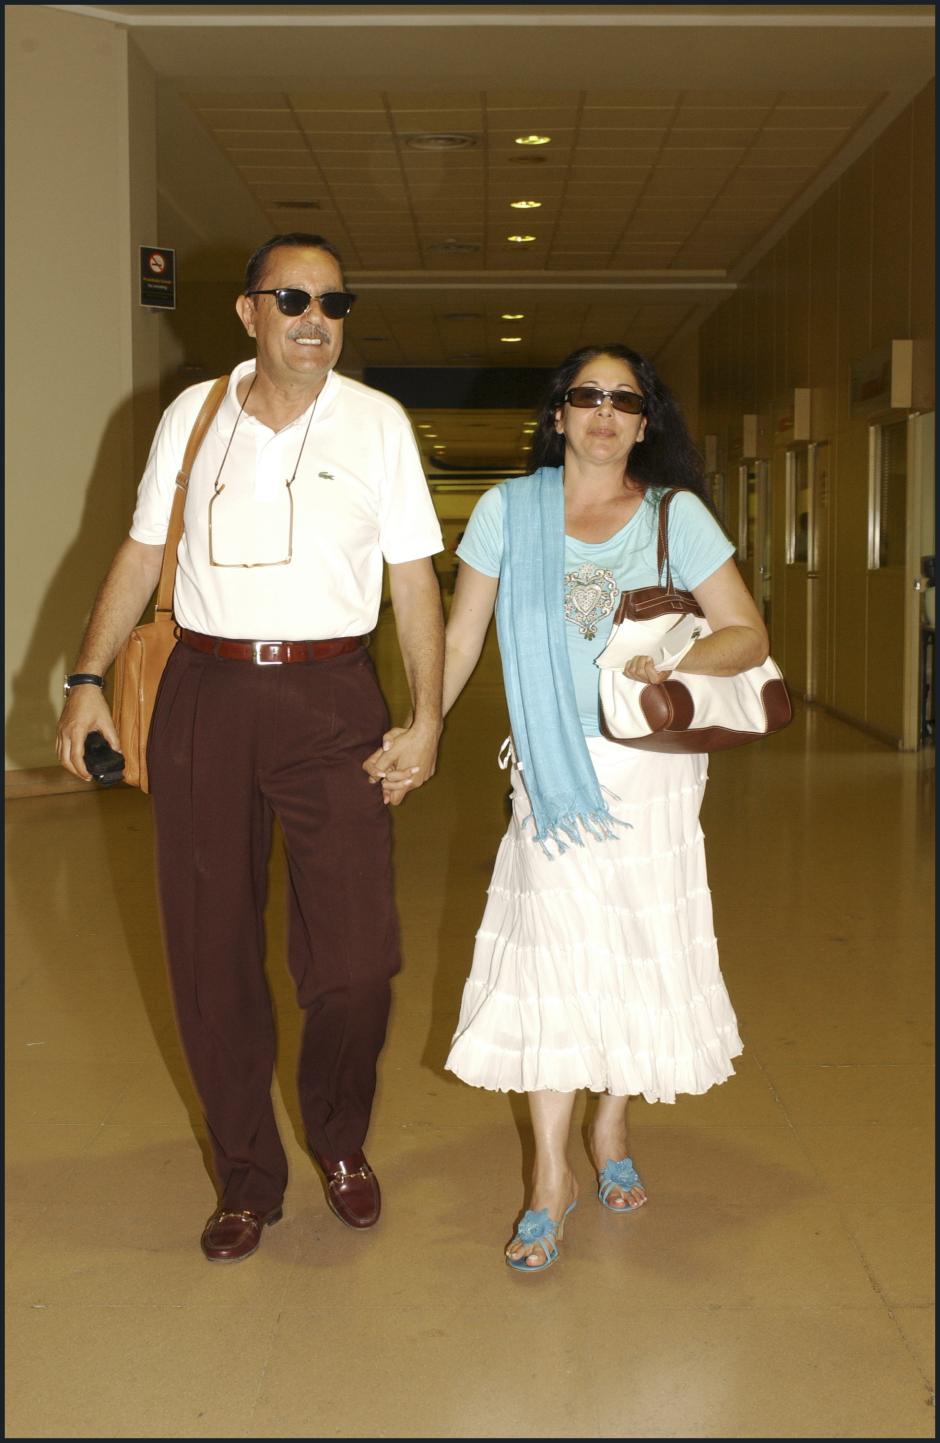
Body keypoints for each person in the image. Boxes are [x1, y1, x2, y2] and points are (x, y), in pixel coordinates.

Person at [57, 233, 445, 1262]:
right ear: (249, 313)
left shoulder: (376, 424)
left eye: (332, 299)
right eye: (292, 298)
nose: (315, 317)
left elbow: (414, 579)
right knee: (208, 948)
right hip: (207, 693)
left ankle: (338, 1136)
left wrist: (429, 713)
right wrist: (86, 682)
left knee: (357, 961)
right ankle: (246, 1176)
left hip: (330, 697)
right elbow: (145, 548)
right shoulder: (194, 416)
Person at [368, 343, 767, 1272]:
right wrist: (425, 724)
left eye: (624, 399)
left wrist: (676, 661)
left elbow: (746, 635)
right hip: (551, 776)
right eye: (586, 395)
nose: (603, 411)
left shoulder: (678, 515)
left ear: (644, 420)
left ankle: (612, 1125)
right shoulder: (511, 511)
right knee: (551, 958)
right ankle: (551, 1176)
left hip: (653, 775)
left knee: (630, 950)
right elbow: (461, 636)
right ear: (558, 415)